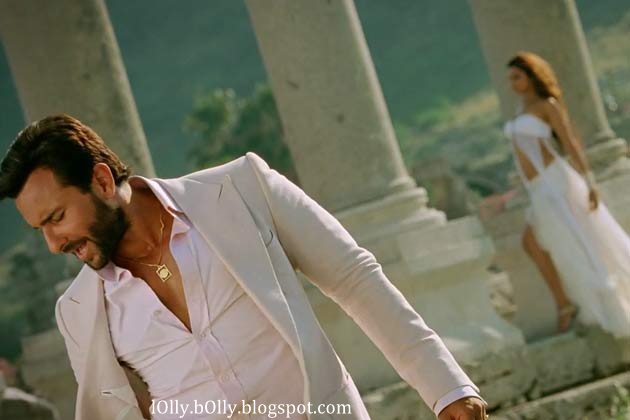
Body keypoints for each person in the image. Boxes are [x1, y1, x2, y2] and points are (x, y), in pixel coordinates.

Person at [0, 114, 488, 420]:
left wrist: (447, 388)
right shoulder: (78, 312)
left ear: (103, 181)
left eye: (57, 218)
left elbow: (356, 280)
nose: (54, 243)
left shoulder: (243, 189)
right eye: (40, 229)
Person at [504, 51, 630, 337]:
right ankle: (564, 303)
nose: (512, 83)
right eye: (510, 78)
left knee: (574, 241)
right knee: (535, 242)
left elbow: (570, 142)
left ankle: (573, 305)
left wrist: (590, 182)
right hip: (537, 189)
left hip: (556, 184)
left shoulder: (546, 105)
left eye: (517, 77)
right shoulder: (520, 110)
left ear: (531, 76)